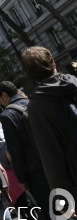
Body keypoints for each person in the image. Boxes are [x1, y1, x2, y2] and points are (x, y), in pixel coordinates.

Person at [0, 80, 77, 220]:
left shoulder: (7, 116)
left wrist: (21, 178)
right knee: (69, 207)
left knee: (56, 218)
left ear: (5, 95)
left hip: (37, 172)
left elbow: (16, 151)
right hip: (58, 163)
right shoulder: (34, 102)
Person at [22, 47, 77, 195]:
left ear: (29, 74)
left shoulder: (36, 106)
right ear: (53, 62)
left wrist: (61, 194)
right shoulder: (74, 83)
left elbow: (50, 154)